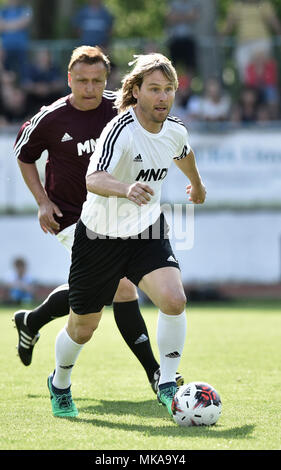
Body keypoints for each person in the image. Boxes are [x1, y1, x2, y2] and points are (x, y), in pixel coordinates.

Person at [14, 46, 183, 396]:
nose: (89, 88)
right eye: (82, 81)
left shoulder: (121, 108)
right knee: (121, 286)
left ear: (107, 81)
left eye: (97, 81)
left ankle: (31, 320)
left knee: (104, 288)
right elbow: (23, 155)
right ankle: (155, 373)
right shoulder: (51, 118)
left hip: (121, 215)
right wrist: (42, 202)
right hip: (73, 216)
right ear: (69, 79)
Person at [47, 53, 206, 419]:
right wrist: (125, 188)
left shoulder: (175, 129)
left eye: (169, 89)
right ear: (135, 91)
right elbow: (93, 179)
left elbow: (183, 152)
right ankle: (59, 382)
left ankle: (166, 384)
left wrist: (196, 184)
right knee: (83, 328)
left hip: (147, 231)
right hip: (99, 236)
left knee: (174, 299)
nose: (163, 97)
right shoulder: (120, 129)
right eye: (154, 89)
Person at [221, 0, 281, 81]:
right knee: (245, 73)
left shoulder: (264, 4)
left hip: (260, 41)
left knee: (260, 72)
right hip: (243, 44)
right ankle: (249, 91)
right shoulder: (237, 6)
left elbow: (273, 21)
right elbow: (230, 23)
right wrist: (221, 36)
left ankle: (262, 90)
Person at [22, 48, 65, 116]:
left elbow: (61, 83)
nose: (43, 58)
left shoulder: (54, 68)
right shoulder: (31, 69)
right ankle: (28, 118)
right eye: (41, 56)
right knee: (27, 97)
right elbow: (25, 84)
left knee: (59, 96)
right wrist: (36, 88)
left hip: (51, 94)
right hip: (35, 95)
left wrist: (48, 88)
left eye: (45, 56)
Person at [0, 0, 33, 80]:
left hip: (22, 48)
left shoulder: (25, 9)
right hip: (5, 50)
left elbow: (25, 22)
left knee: (24, 76)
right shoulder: (3, 11)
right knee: (6, 77)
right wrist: (17, 25)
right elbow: (1, 26)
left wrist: (7, 26)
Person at [165, 0, 200, 73]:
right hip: (175, 39)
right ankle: (174, 83)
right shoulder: (173, 3)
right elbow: (170, 17)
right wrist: (186, 16)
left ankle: (189, 84)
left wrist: (178, 16)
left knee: (190, 66)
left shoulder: (193, 3)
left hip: (189, 39)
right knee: (173, 66)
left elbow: (194, 15)